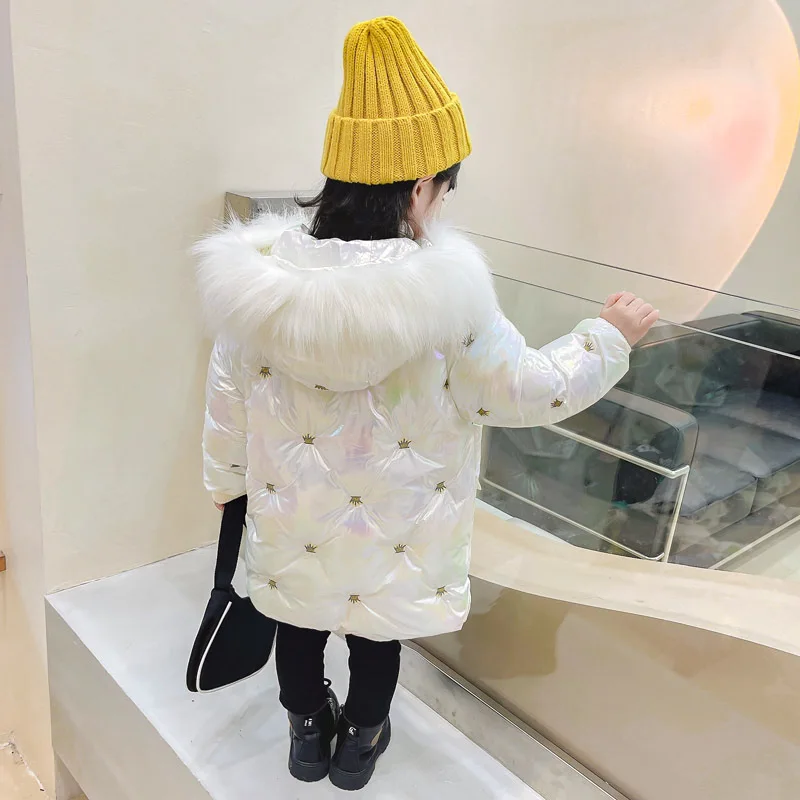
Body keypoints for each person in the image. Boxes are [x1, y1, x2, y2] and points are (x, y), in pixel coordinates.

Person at [195, 15, 658, 792]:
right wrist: (608, 336)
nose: (440, 205)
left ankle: (306, 737)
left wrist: (225, 485)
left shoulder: (259, 288)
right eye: (443, 188)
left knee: (298, 622)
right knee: (379, 632)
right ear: (417, 187)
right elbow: (528, 388)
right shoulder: (450, 299)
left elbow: (225, 401)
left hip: (293, 518)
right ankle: (359, 745)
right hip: (402, 529)